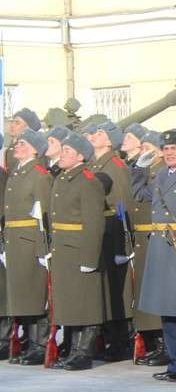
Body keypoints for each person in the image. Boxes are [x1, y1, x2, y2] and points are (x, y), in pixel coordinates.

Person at [134, 128, 176, 381]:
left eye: (174, 148)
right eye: (165, 149)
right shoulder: (163, 174)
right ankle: (175, 363)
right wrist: (140, 169)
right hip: (162, 247)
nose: (169, 153)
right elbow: (139, 195)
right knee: (168, 310)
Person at [47, 132, 106, 370]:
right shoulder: (63, 179)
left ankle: (83, 353)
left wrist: (90, 257)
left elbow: (94, 223)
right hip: (63, 248)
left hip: (79, 248)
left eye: (67, 151)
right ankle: (72, 350)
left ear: (80, 156)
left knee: (86, 302)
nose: (62, 155)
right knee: (69, 302)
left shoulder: (88, 181)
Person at [1, 129, 53, 365]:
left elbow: (44, 215)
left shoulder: (39, 175)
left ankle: (39, 345)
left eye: (22, 144)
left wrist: (43, 248)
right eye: (17, 143)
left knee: (35, 293)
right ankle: (28, 343)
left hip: (30, 240)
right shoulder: (18, 172)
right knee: (22, 294)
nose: (17, 147)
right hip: (15, 240)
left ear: (34, 149)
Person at [88, 120, 136, 362]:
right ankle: (107, 338)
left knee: (117, 288)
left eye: (99, 133)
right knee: (104, 289)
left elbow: (122, 204)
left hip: (113, 230)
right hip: (99, 230)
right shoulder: (93, 164)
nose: (93, 136)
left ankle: (120, 341)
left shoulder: (116, 166)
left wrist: (123, 242)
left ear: (109, 141)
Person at [129, 129, 168, 366]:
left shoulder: (162, 172)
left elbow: (143, 195)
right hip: (145, 238)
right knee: (147, 293)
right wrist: (140, 169)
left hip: (158, 237)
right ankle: (155, 343)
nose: (143, 152)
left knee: (159, 293)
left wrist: (141, 170)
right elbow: (136, 194)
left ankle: (164, 345)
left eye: (148, 148)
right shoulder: (150, 171)